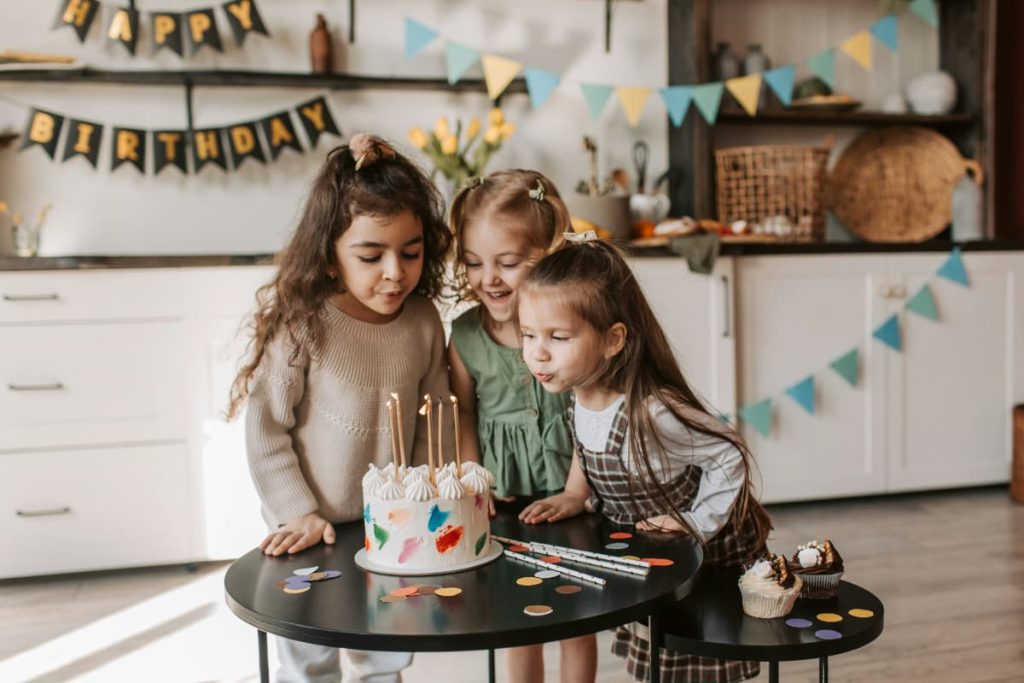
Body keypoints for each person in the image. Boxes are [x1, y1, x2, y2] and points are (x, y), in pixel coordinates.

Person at [227, 134, 452, 683]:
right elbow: (266, 427)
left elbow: (432, 419)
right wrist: (296, 509)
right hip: (309, 526)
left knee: (385, 651)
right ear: (330, 252)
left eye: (412, 252)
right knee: (310, 658)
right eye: (371, 256)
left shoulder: (423, 322)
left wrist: (422, 497)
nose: (395, 272)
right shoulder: (304, 323)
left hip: (391, 526)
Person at [518, 234, 773, 683]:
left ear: (613, 340)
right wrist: (575, 493)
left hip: (706, 557)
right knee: (659, 661)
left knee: (699, 665)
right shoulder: (578, 395)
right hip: (656, 557)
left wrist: (697, 520)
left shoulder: (653, 411)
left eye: (558, 337)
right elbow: (586, 444)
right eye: (528, 335)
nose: (537, 352)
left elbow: (729, 454)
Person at [447, 170, 595, 683]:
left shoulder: (571, 329)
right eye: (473, 263)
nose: (489, 278)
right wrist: (471, 479)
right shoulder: (464, 335)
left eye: (507, 263)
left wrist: (577, 492)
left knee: (578, 616)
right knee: (517, 618)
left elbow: (590, 407)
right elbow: (463, 410)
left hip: (567, 494)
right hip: (502, 502)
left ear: (547, 254)